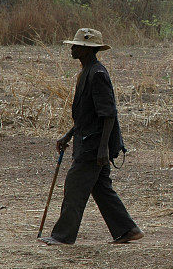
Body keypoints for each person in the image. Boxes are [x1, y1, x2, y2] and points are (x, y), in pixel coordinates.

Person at [39, 28, 143, 245]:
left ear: (88, 50)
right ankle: (128, 230)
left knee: (74, 186)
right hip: (88, 140)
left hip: (94, 144)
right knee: (101, 188)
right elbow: (87, 116)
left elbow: (108, 114)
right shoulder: (87, 72)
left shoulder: (97, 74)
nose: (72, 48)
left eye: (77, 46)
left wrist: (103, 148)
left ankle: (63, 236)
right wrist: (68, 135)